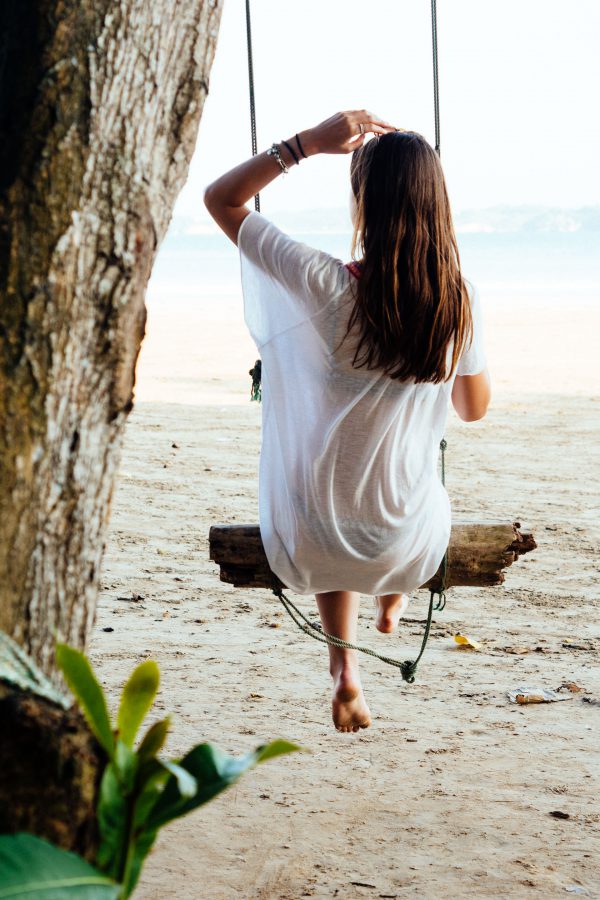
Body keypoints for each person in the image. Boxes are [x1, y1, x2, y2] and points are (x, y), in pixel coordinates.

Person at [204, 110, 491, 733]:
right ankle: (393, 601)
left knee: (330, 491)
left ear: (364, 201)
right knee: (411, 497)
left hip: (311, 538)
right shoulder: (454, 300)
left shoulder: (321, 283)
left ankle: (344, 670)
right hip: (408, 543)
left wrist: (304, 145)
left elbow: (221, 199)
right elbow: (472, 410)